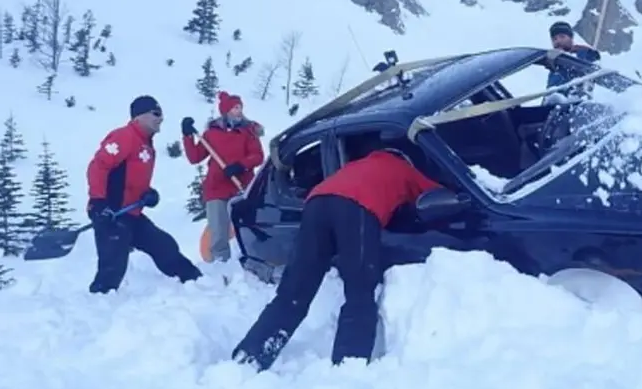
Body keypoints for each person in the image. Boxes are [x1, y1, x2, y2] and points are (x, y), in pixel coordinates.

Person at [231, 146, 443, 371]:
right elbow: (439, 195)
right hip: (356, 208)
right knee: (359, 291)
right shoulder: (403, 169)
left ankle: (250, 356)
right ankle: (348, 365)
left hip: (316, 204)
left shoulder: (356, 165)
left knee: (294, 291)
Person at [85, 95, 202, 293]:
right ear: (139, 117)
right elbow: (98, 167)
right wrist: (98, 202)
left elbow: (128, 178)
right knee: (113, 267)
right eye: (156, 113)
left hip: (130, 213)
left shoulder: (145, 143)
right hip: (111, 214)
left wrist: (147, 194)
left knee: (164, 246)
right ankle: (99, 301)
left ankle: (196, 281)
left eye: (161, 114)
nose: (161, 118)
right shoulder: (125, 137)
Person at [181, 91, 265, 263]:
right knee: (218, 229)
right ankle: (220, 263)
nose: (239, 111)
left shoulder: (248, 132)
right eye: (235, 108)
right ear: (226, 111)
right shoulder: (211, 134)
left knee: (248, 225)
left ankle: (251, 260)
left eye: (240, 107)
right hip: (216, 188)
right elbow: (195, 157)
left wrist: (240, 165)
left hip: (242, 186)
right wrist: (188, 136)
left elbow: (258, 156)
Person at [545, 21, 601, 90]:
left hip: (575, 95)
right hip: (553, 95)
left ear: (571, 38)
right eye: (554, 39)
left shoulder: (584, 53)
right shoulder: (553, 61)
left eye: (562, 37)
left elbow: (592, 70)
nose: (558, 41)